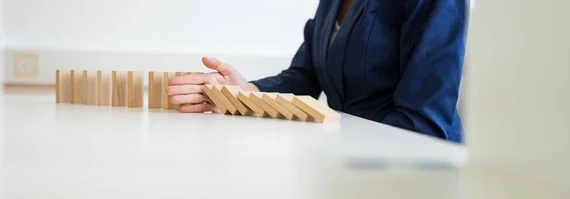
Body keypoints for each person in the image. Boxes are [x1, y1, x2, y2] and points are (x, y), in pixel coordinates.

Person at [165, 0, 469, 143]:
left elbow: (422, 121)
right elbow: (305, 76)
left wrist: (340, 151)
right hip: (347, 168)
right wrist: (246, 92)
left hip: (413, 174)